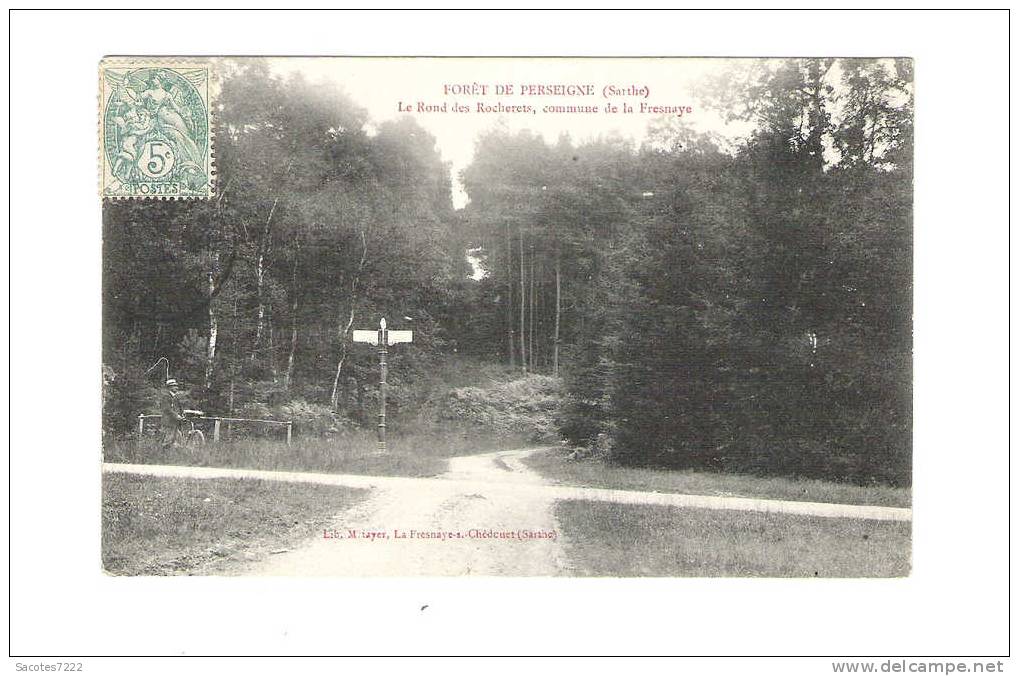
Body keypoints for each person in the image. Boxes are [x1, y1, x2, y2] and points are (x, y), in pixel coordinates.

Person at [159, 378, 186, 448]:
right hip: (168, 422)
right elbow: (167, 409)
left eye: (176, 386)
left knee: (176, 441)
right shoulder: (166, 397)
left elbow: (179, 408)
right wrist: (176, 415)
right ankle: (163, 455)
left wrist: (182, 414)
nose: (176, 387)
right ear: (169, 387)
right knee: (168, 441)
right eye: (174, 386)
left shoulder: (175, 397)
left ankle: (172, 456)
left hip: (175, 422)